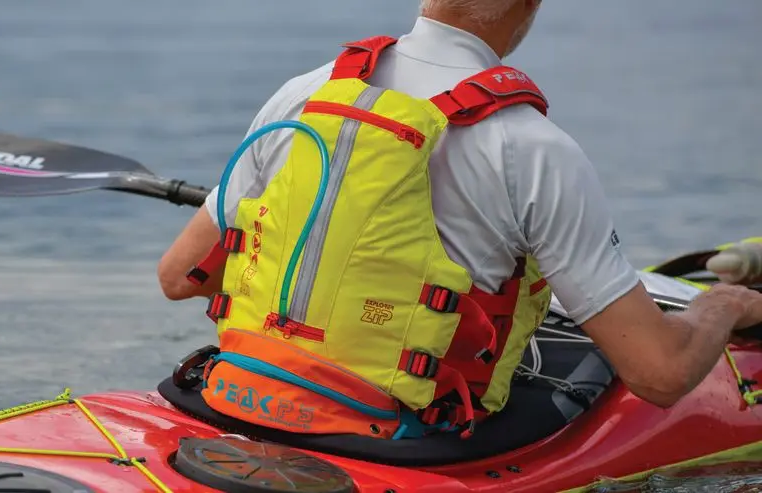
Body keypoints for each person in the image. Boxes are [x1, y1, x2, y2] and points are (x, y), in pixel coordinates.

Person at [158, 0, 762, 425]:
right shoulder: (534, 148)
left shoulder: (303, 93)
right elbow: (658, 376)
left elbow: (184, 276)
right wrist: (722, 305)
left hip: (246, 390)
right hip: (403, 435)